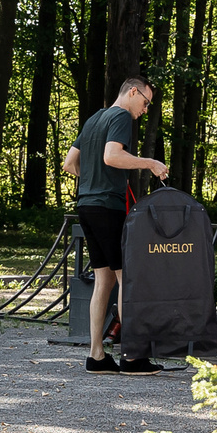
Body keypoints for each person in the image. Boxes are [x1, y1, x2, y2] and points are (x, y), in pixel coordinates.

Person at [62, 77, 166, 373]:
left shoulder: (95, 118)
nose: (145, 110)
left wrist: (93, 181)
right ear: (133, 92)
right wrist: (150, 163)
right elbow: (112, 156)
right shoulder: (121, 116)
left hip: (86, 206)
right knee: (126, 278)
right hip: (108, 208)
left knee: (104, 280)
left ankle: (97, 356)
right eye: (145, 102)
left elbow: (70, 163)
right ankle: (132, 357)